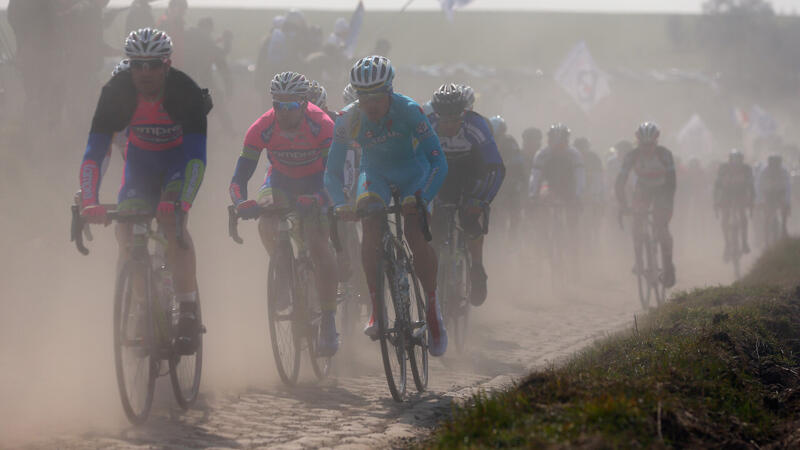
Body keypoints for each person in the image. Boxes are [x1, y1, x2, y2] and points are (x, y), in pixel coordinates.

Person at [78, 28, 207, 354]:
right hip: (141, 166)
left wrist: (183, 204)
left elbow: (196, 158)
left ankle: (188, 309)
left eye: (153, 64)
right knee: (125, 232)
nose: (145, 72)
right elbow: (96, 152)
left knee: (171, 226)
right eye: (137, 64)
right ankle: (142, 304)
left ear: (167, 64)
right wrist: (90, 200)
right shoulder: (116, 92)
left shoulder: (185, 91)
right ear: (129, 65)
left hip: (177, 164)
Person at [324, 56, 449, 356]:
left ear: (390, 91)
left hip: (413, 172)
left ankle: (432, 309)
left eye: (377, 96)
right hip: (375, 174)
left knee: (414, 233)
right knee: (370, 222)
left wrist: (422, 198)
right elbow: (331, 172)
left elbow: (438, 161)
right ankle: (377, 308)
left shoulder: (410, 111)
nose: (370, 104)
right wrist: (341, 204)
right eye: (364, 96)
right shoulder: (348, 118)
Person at [229, 71, 339, 356]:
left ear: (304, 105)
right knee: (267, 217)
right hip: (279, 181)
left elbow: (335, 178)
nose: (284, 113)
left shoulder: (322, 125)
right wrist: (241, 202)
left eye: (291, 106)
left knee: (317, 243)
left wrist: (317, 197)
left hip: (317, 182)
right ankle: (283, 269)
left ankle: (328, 320)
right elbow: (238, 179)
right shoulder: (262, 127)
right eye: (279, 105)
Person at [427, 84, 504, 306]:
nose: (450, 126)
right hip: (442, 172)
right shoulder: (428, 125)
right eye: (445, 120)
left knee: (470, 219)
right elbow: (416, 163)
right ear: (436, 115)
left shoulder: (477, 124)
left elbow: (495, 168)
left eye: (455, 120)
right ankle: (435, 275)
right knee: (435, 229)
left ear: (465, 114)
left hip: (472, 171)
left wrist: (481, 200)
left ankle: (477, 268)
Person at [615, 122, 677, 288]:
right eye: (643, 145)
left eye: (650, 145)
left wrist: (666, 206)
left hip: (663, 190)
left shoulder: (665, 155)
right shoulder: (632, 156)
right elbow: (620, 181)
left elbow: (672, 182)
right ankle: (639, 261)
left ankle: (668, 266)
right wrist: (623, 204)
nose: (647, 148)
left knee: (662, 228)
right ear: (638, 143)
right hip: (643, 190)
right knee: (637, 221)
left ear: (656, 142)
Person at [714, 149, 755, 260]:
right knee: (725, 218)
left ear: (742, 161)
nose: (736, 164)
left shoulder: (747, 169)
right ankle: (727, 243)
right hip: (727, 194)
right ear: (730, 160)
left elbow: (751, 187)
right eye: (734, 161)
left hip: (741, 194)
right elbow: (717, 186)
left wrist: (751, 203)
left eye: (739, 161)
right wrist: (716, 203)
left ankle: (744, 242)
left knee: (742, 216)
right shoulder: (723, 168)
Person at [755, 154, 791, 240]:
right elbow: (759, 186)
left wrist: (787, 202)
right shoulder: (764, 171)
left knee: (784, 212)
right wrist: (760, 200)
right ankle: (766, 235)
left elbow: (788, 187)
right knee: (767, 216)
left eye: (776, 164)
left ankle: (783, 228)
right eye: (773, 164)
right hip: (768, 194)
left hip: (780, 194)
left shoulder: (783, 171)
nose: (775, 166)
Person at [156, 0, 187, 67]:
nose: (183, 12)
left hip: (178, 61)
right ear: (174, 8)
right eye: (182, 9)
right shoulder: (164, 21)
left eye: (184, 9)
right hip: (167, 63)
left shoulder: (180, 22)